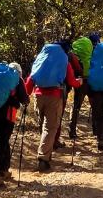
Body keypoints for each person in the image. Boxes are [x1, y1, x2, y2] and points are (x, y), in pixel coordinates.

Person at [27, 43, 81, 172]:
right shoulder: (64, 61)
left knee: (43, 125)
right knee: (50, 127)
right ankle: (43, 158)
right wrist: (79, 82)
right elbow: (72, 82)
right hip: (54, 96)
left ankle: (46, 152)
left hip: (38, 95)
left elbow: (31, 78)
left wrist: (26, 95)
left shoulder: (40, 59)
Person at [0, 63, 28, 188]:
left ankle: (3, 170)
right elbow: (24, 99)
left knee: (2, 141)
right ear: (19, 72)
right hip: (7, 116)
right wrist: (24, 101)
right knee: (0, 143)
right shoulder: (17, 79)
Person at [68, 33, 96, 141]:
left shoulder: (76, 45)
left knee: (76, 105)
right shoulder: (92, 47)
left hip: (79, 79)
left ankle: (72, 129)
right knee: (94, 105)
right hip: (90, 79)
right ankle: (96, 130)